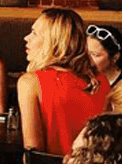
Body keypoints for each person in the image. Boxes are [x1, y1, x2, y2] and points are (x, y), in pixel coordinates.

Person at [18, 8, 109, 155]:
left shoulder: (30, 82)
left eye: (34, 33)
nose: (26, 38)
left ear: (53, 42)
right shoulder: (100, 81)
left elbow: (33, 153)